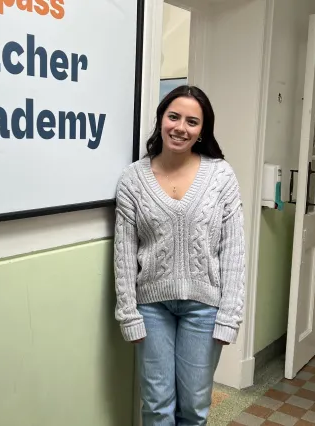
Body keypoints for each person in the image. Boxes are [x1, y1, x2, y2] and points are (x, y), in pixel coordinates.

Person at [113, 85, 246, 426]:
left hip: (204, 309)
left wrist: (229, 315)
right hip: (151, 308)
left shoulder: (220, 176)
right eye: (173, 117)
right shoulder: (133, 179)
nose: (180, 127)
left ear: (202, 131)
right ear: (160, 120)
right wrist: (128, 313)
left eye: (192, 121)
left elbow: (233, 248)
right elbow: (125, 251)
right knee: (156, 406)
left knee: (194, 408)